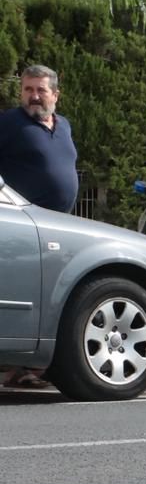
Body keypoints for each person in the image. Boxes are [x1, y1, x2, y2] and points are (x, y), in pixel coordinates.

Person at [0, 65, 77, 389]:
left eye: (40, 90)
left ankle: (26, 370)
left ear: (55, 95)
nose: (33, 96)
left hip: (58, 232)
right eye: (27, 89)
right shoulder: (8, 124)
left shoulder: (64, 127)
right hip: (21, 232)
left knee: (48, 299)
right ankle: (17, 368)